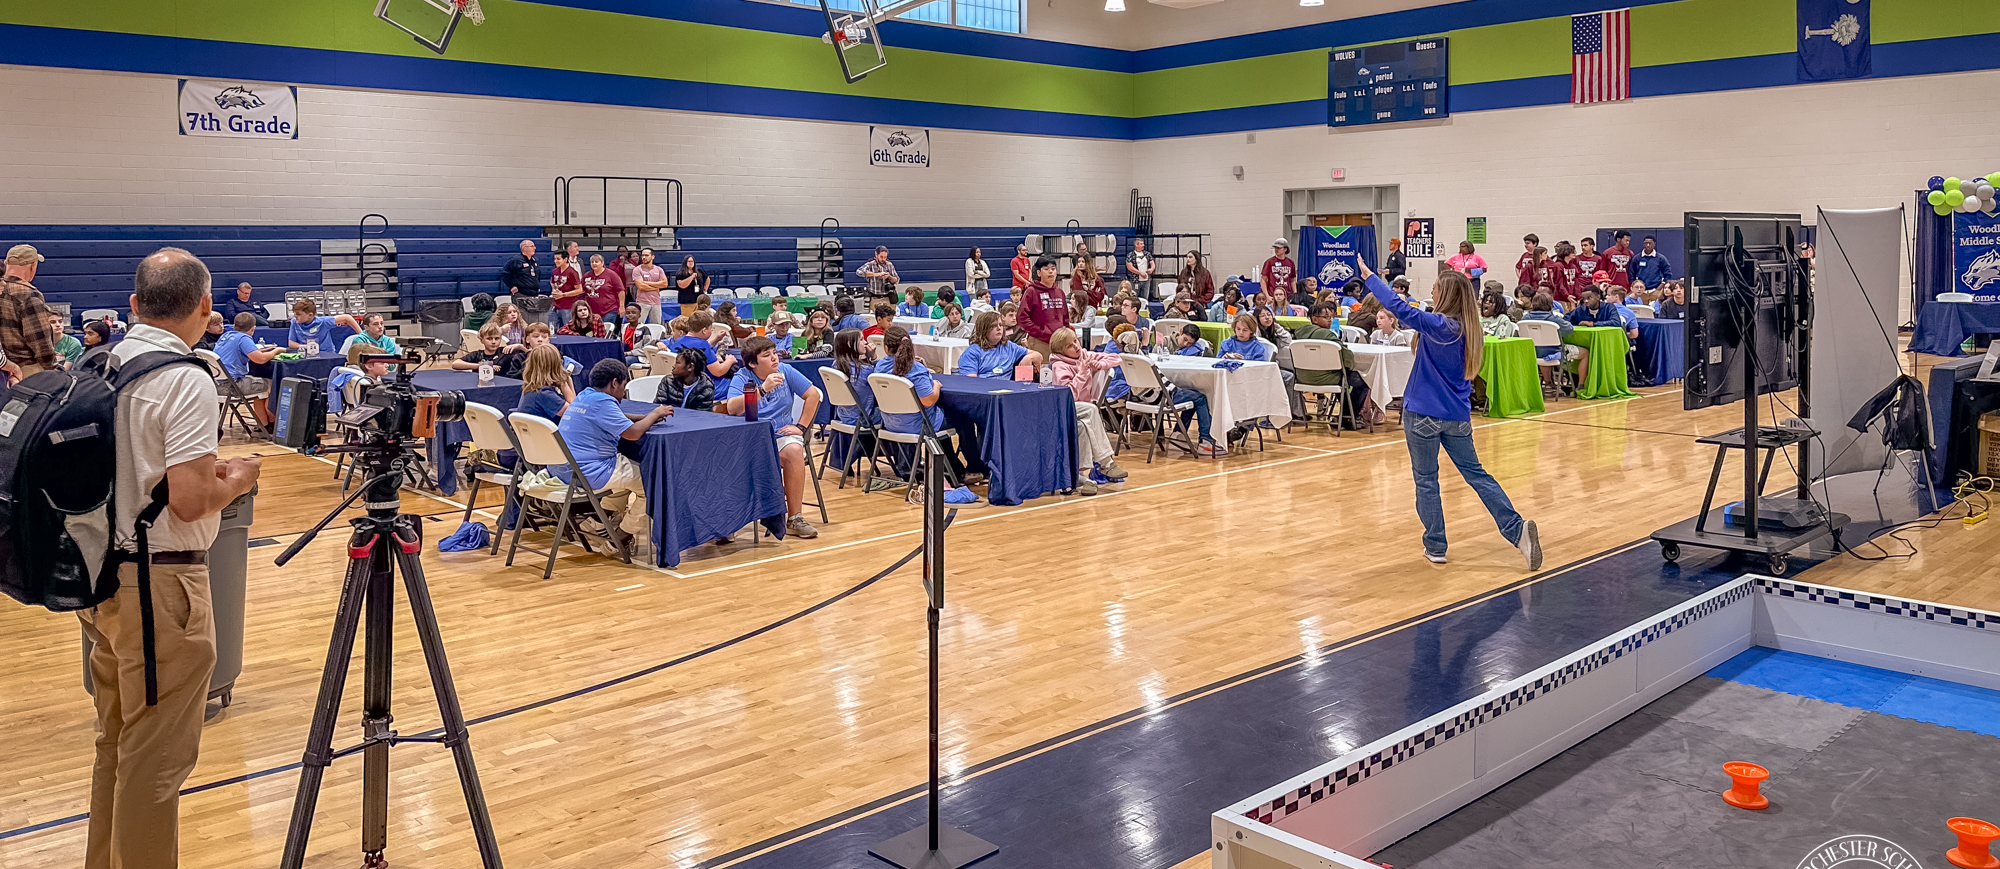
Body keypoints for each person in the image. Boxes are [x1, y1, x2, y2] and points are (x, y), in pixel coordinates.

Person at [85, 247, 263, 869]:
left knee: (120, 743)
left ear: (133, 307)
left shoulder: (102, 361)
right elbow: (190, 501)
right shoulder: (186, 376)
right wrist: (238, 476)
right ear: (207, 309)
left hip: (98, 574)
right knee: (158, 762)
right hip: (159, 583)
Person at [1356, 258, 1540, 568]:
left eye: (1436, 287)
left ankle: (1436, 545)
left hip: (1423, 414)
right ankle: (1516, 530)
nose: (1431, 290)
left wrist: (1371, 278)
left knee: (1427, 480)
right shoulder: (1472, 330)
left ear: (1447, 295)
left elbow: (1399, 309)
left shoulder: (1440, 325)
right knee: (1477, 475)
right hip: (1457, 416)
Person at [551, 359, 671, 558]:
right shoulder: (603, 402)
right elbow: (632, 434)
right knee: (652, 481)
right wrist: (655, 413)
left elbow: (616, 416)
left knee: (628, 474)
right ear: (615, 382)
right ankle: (621, 536)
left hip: (564, 469)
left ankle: (600, 520)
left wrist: (646, 416)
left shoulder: (586, 395)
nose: (623, 392)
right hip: (588, 473)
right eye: (623, 386)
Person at [724, 337, 823, 537]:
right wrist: (762, 389)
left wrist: (801, 427)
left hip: (780, 435)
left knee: (795, 450)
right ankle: (730, 520)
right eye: (767, 356)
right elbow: (732, 409)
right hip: (750, 439)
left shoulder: (786, 371)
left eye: (774, 353)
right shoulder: (743, 377)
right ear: (753, 363)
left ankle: (795, 518)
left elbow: (813, 395)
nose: (774, 359)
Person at [871, 327, 977, 490]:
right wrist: (935, 385)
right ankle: (969, 469)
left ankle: (949, 470)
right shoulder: (914, 369)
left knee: (939, 422)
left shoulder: (879, 367)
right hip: (919, 427)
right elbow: (928, 400)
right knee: (963, 419)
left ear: (886, 348)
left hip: (891, 424)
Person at [1044, 328, 1129, 496]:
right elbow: (1069, 396)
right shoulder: (1060, 366)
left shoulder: (1083, 355)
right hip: (1062, 409)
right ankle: (1106, 462)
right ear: (1061, 351)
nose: (1076, 346)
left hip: (1080, 413)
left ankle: (1081, 477)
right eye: (1070, 345)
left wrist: (1100, 364)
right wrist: (1083, 372)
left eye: (1075, 341)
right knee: (1091, 409)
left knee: (1082, 426)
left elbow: (1117, 357)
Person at [213, 311, 281, 427]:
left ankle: (263, 425)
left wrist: (261, 351)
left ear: (234, 326)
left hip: (217, 385)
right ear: (253, 329)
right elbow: (260, 359)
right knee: (272, 385)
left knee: (258, 384)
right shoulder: (244, 338)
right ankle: (272, 422)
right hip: (233, 387)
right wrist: (277, 350)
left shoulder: (226, 335)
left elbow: (250, 353)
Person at [2, 244, 58, 379]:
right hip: (26, 369)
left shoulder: (1, 287)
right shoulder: (28, 294)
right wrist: (53, 368)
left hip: (3, 367)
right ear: (33, 266)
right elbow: (39, 340)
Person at [957, 311, 1040, 378]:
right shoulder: (972, 353)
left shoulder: (1009, 346)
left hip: (1008, 392)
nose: (999, 328)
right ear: (984, 329)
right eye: (994, 326)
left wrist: (1028, 358)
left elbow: (1039, 356)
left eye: (1000, 325)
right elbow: (971, 383)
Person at [1014, 256, 1068, 360]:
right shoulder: (1031, 292)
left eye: (1053, 269)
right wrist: (1041, 332)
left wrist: (1066, 332)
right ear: (1039, 273)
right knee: (1042, 374)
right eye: (1046, 269)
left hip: (1060, 342)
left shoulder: (1060, 292)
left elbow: (1065, 318)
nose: (1051, 272)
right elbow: (1022, 318)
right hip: (1040, 342)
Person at [284, 298, 359, 355]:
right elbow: (291, 344)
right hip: (306, 355)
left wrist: (362, 334)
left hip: (326, 355)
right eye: (294, 313)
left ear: (310, 315)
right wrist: (306, 346)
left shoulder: (323, 322)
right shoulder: (294, 322)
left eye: (299, 314)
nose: (295, 316)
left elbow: (347, 317)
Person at [452, 322, 526, 378]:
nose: (493, 342)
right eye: (489, 338)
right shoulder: (477, 355)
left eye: (497, 338)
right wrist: (482, 365)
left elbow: (533, 354)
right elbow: (455, 364)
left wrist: (520, 346)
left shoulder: (507, 352)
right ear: (482, 340)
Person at [658, 345, 716, 412]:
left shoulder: (706, 387)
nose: (674, 366)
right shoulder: (667, 381)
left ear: (690, 367)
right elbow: (658, 407)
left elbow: (701, 416)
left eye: (677, 363)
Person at [582, 255, 625, 330]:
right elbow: (581, 291)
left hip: (609, 310)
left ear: (602, 263)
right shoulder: (586, 275)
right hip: (591, 311)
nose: (594, 264)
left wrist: (621, 306)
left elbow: (621, 291)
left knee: (605, 331)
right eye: (592, 262)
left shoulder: (611, 275)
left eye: (596, 262)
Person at [548, 249, 584, 330]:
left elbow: (579, 290)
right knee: (551, 328)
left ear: (565, 259)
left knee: (568, 329)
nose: (555, 261)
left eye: (558, 259)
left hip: (568, 306)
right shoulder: (555, 271)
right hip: (555, 305)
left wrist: (563, 294)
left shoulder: (572, 272)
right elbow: (552, 282)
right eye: (555, 259)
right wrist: (554, 290)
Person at [501, 239, 541, 303]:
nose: (535, 248)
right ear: (524, 248)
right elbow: (505, 274)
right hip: (521, 294)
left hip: (534, 294)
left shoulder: (535, 261)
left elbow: (538, 275)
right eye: (532, 246)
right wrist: (512, 286)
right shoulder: (516, 260)